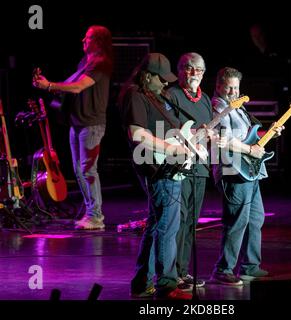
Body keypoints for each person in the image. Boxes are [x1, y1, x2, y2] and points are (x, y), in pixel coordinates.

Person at [118, 52, 192, 300]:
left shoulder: (156, 95)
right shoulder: (135, 95)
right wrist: (172, 149)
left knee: (156, 225)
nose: (166, 83)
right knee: (167, 228)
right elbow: (137, 135)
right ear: (147, 76)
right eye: (161, 79)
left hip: (167, 166)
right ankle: (167, 285)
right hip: (157, 168)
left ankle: (141, 283)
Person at [33, 25, 113, 230]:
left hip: (92, 123)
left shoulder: (101, 63)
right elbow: (70, 84)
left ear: (98, 41)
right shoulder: (85, 62)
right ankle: (90, 212)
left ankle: (96, 216)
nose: (83, 41)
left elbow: (78, 87)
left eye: (87, 38)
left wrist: (49, 85)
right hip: (77, 123)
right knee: (79, 170)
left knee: (88, 170)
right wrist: (47, 84)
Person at [211, 67, 284, 285]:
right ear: (219, 86)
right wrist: (251, 150)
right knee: (237, 221)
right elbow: (225, 138)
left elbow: (246, 137)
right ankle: (223, 269)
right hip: (233, 169)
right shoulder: (218, 106)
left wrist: (267, 133)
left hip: (248, 169)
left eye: (237, 87)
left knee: (255, 217)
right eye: (229, 87)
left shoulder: (239, 107)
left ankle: (251, 265)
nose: (234, 91)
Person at [167, 52, 213, 290]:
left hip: (200, 168)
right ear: (179, 70)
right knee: (179, 220)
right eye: (189, 68)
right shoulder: (171, 95)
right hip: (179, 166)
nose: (194, 73)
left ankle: (183, 271)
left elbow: (209, 134)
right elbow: (166, 131)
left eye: (199, 69)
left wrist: (213, 136)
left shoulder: (205, 99)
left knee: (191, 222)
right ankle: (171, 273)